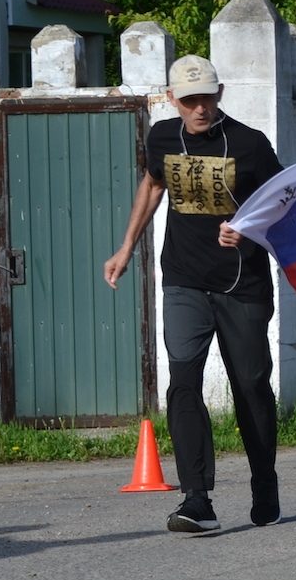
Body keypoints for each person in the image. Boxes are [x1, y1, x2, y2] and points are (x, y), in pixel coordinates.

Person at [104, 58, 284, 534]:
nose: (199, 108)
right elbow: (153, 184)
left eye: (206, 97)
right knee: (183, 383)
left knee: (251, 387)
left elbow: (285, 204)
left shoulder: (250, 144)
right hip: (183, 280)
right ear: (172, 99)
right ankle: (196, 499)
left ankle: (264, 480)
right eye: (189, 100)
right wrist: (126, 247)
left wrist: (247, 230)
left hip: (242, 284)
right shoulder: (162, 137)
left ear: (219, 93)